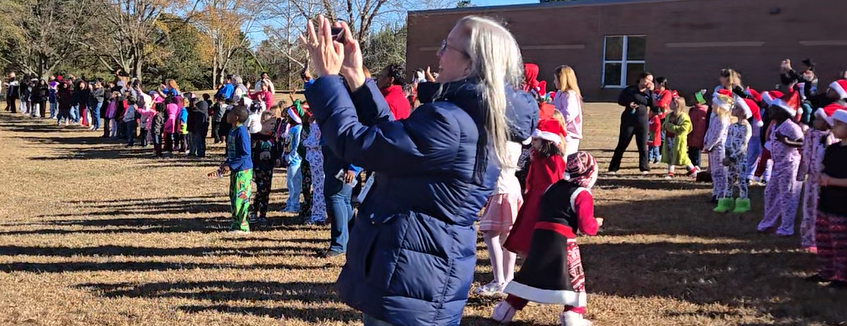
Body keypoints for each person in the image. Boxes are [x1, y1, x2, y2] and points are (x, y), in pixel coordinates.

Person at [300, 15, 537, 325]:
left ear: (471, 64)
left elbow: (354, 144)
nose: (438, 55)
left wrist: (329, 79)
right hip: (415, 270)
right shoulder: (465, 117)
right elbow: (393, 140)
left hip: (413, 276)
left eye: (446, 46)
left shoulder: (451, 123)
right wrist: (355, 77)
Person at [493, 152, 602, 326]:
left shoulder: (552, 187)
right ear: (590, 172)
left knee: (529, 275)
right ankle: (572, 316)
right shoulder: (582, 194)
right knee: (574, 279)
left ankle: (505, 310)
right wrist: (596, 223)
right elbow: (586, 227)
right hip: (564, 241)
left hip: (539, 237)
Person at [505, 119, 567, 257]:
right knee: (527, 231)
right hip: (533, 199)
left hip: (544, 202)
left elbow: (556, 183)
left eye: (536, 140)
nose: (533, 142)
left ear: (548, 142)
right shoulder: (538, 158)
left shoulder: (554, 161)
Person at [810, 109, 847, 290]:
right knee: (824, 239)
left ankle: (842, 277)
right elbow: (825, 168)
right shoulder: (832, 149)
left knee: (841, 242)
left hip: (842, 206)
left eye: (839, 124)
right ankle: (827, 270)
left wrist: (831, 181)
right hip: (826, 202)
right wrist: (821, 175)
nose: (834, 127)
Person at [798, 104, 842, 252]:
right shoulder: (811, 134)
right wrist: (802, 172)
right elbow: (805, 154)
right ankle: (808, 237)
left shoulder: (832, 140)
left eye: (818, 119)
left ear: (826, 122)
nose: (814, 121)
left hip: (824, 181)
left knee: (820, 209)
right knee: (808, 207)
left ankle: (820, 239)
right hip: (812, 178)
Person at [757, 98, 804, 236]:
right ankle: (768, 223)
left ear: (783, 112)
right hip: (777, 166)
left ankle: (786, 228)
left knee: (788, 196)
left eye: (774, 109)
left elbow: (804, 144)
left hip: (790, 166)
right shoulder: (774, 125)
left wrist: (787, 141)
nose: (770, 111)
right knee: (770, 193)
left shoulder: (792, 127)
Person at [209, 105, 253, 233]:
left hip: (243, 170)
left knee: (241, 197)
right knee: (233, 196)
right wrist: (225, 164)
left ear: (236, 117)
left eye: (230, 113)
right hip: (234, 169)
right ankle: (235, 223)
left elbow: (245, 154)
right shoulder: (232, 131)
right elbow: (232, 153)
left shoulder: (242, 131)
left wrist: (231, 165)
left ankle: (243, 226)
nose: (227, 115)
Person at [608, 72, 655, 175]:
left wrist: (651, 92)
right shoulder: (630, 90)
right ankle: (613, 168)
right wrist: (629, 104)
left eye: (651, 80)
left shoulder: (648, 93)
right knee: (622, 144)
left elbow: (654, 106)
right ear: (641, 79)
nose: (649, 82)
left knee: (642, 146)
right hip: (628, 120)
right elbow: (620, 100)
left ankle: (644, 168)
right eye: (648, 79)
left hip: (642, 121)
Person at [714, 96, 753, 213]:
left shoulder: (746, 127)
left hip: (741, 159)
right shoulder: (732, 126)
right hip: (730, 159)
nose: (733, 110)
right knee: (729, 180)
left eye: (736, 108)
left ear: (743, 111)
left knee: (741, 180)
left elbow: (743, 145)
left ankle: (743, 202)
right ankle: (726, 201)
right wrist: (726, 155)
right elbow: (727, 141)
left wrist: (733, 157)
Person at [250, 111, 281, 224]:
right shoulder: (255, 137)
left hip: (268, 168)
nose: (273, 127)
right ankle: (254, 211)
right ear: (263, 122)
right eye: (271, 124)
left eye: (274, 124)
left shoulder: (273, 138)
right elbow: (252, 153)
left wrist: (277, 159)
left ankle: (263, 214)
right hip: (258, 168)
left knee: (266, 191)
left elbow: (276, 150)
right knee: (260, 190)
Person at [703, 90, 733, 202]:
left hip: (719, 149)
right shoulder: (715, 118)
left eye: (714, 104)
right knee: (715, 172)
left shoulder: (723, 120)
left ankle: (721, 194)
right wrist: (706, 142)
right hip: (712, 149)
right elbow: (710, 131)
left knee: (720, 172)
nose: (712, 106)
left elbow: (718, 135)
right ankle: (715, 192)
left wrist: (710, 145)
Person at [661, 97, 699, 179]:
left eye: (671, 103)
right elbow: (664, 125)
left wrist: (671, 127)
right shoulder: (669, 115)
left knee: (683, 157)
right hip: (669, 139)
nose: (669, 104)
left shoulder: (684, 117)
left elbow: (685, 129)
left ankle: (694, 171)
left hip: (678, 141)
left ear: (676, 104)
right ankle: (670, 172)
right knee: (670, 156)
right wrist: (664, 126)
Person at [552, 65, 583, 156]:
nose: (554, 82)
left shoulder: (570, 95)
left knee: (566, 158)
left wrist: (556, 119)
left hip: (569, 134)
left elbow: (568, 114)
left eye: (555, 79)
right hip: (559, 131)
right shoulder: (559, 93)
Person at [303, 113, 327, 225]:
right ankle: (320, 214)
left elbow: (314, 141)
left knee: (319, 189)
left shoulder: (321, 125)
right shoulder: (320, 123)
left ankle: (319, 216)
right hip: (316, 160)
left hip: (319, 160)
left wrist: (305, 142)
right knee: (319, 188)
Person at [282, 105, 304, 213]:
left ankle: (295, 206)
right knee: (289, 184)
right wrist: (284, 156)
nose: (287, 118)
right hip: (288, 160)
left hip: (295, 161)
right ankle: (289, 203)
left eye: (289, 116)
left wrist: (290, 157)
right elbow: (287, 144)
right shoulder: (291, 128)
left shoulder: (299, 129)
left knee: (295, 184)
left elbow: (297, 146)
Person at [687, 91, 708, 168]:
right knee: (691, 150)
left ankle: (696, 165)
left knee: (696, 151)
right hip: (691, 134)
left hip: (697, 135)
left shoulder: (701, 111)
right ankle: (690, 165)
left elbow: (701, 125)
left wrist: (698, 135)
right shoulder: (692, 110)